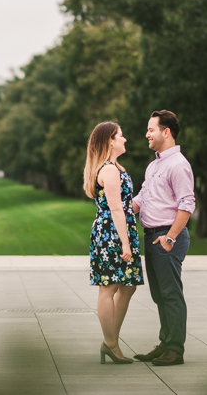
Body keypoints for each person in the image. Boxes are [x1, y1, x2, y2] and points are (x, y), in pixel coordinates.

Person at [132, 110, 194, 366]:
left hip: (167, 237)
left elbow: (187, 203)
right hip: (152, 237)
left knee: (171, 295)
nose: (147, 134)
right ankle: (165, 342)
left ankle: (175, 350)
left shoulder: (178, 164)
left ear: (165, 131)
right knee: (159, 295)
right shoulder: (154, 164)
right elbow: (141, 198)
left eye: (151, 129)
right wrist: (114, 212)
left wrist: (170, 237)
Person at [84, 121, 144, 364]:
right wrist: (125, 244)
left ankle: (111, 340)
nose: (125, 139)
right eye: (121, 135)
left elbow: (126, 207)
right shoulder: (108, 170)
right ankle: (110, 343)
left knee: (128, 286)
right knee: (108, 287)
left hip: (119, 230)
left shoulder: (116, 167)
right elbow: (116, 209)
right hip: (112, 233)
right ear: (110, 140)